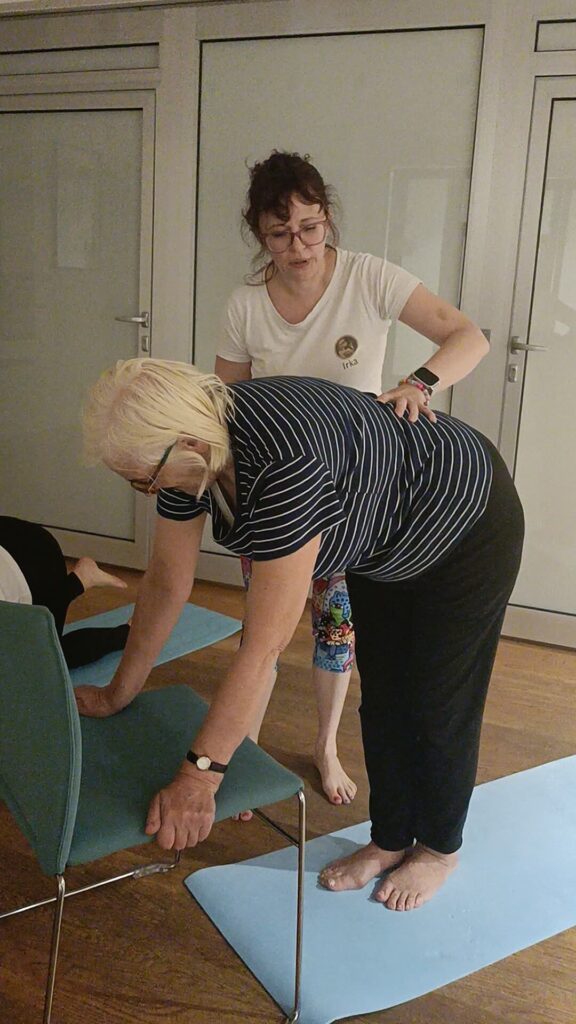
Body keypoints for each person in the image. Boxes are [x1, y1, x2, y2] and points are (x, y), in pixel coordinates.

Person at [77, 358, 523, 911]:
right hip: (384, 536)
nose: (144, 491)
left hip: (467, 524)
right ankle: (389, 840)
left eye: (143, 479)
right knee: (384, 696)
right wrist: (118, 691)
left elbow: (264, 647)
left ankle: (438, 849)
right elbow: (168, 581)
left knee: (438, 702)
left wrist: (200, 779)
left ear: (188, 444)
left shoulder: (286, 465)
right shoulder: (189, 454)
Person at [215, 150, 490, 807]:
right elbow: (228, 411)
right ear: (259, 234)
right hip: (278, 501)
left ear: (327, 217)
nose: (299, 247)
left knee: (336, 631)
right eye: (279, 234)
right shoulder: (245, 306)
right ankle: (240, 750)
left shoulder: (368, 277)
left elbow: (468, 336)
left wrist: (419, 383)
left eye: (310, 228)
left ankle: (326, 745)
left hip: (354, 499)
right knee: (262, 635)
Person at [0, 515, 130, 669]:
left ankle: (128, 632)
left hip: (37, 561)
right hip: (13, 533)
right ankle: (79, 580)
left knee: (41, 658)